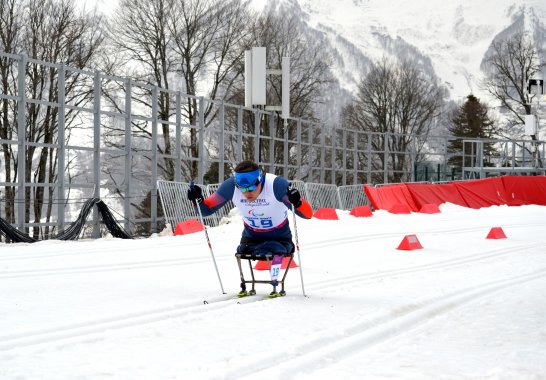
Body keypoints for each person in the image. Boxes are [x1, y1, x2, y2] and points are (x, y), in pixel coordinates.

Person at [187, 160, 313, 297]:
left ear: (259, 180)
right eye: (243, 189)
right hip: (251, 236)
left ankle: (275, 282)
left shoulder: (276, 185)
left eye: (251, 188)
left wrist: (298, 202)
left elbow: (307, 214)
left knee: (274, 249)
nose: (247, 193)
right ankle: (246, 283)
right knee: (242, 251)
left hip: (279, 236)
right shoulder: (230, 186)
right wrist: (197, 200)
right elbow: (205, 210)